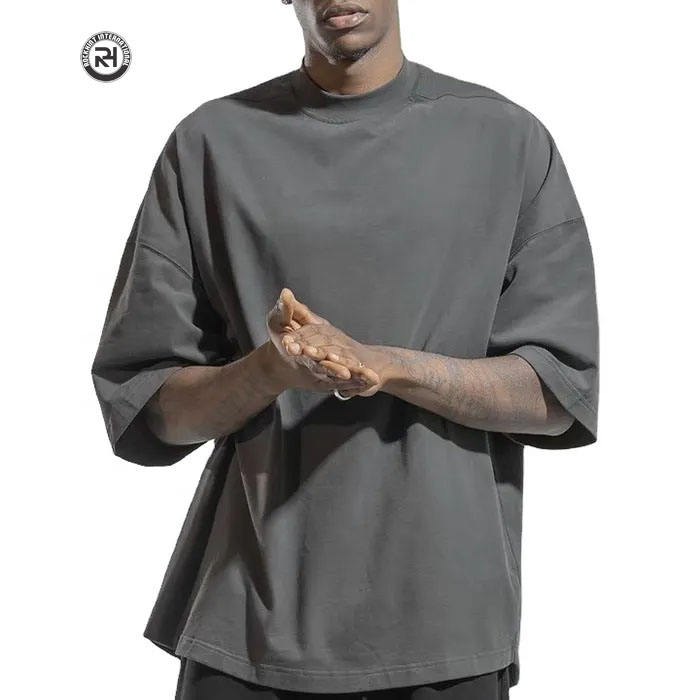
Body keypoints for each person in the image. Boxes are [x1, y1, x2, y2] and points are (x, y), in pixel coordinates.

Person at [90, 1, 599, 698]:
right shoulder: (210, 143)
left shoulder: (506, 140)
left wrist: (389, 366)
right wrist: (269, 369)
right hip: (249, 622)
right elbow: (154, 409)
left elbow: (556, 394)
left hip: (444, 620)